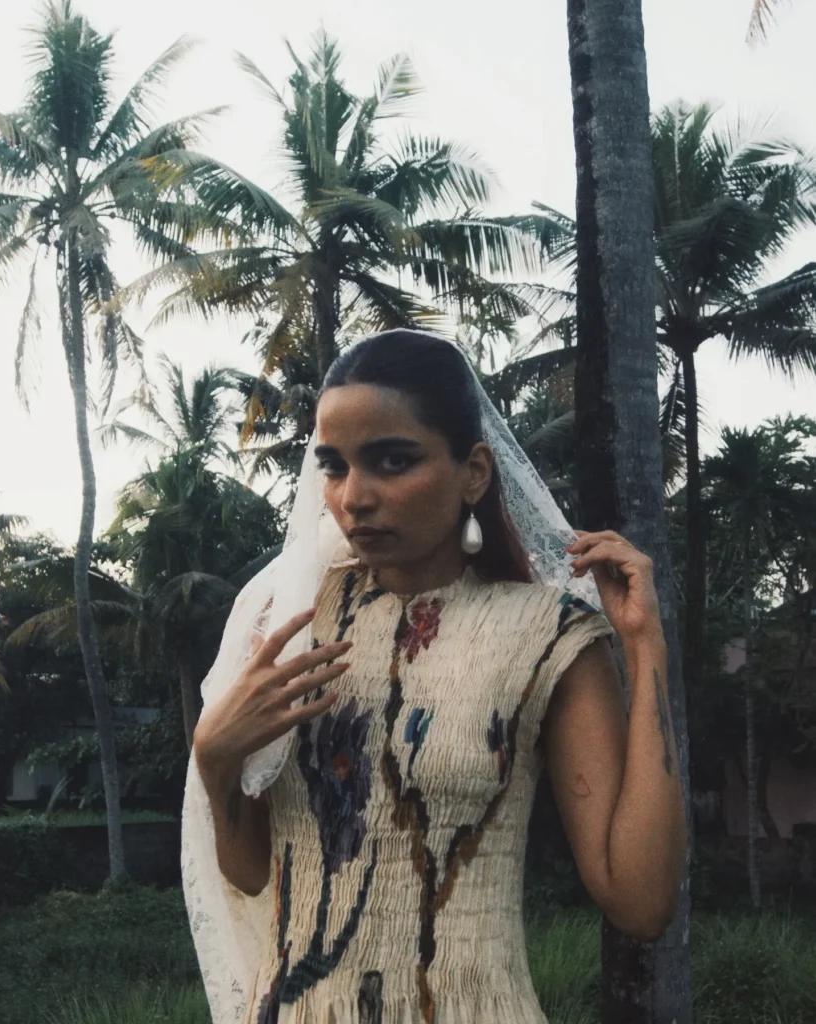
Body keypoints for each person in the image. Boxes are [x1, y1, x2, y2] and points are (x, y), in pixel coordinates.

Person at [183, 330, 686, 1024]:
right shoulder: (287, 618)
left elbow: (641, 903)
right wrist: (214, 758)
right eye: (333, 466)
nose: (353, 496)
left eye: (392, 460)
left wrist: (645, 645)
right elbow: (251, 874)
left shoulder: (547, 636)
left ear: (473, 471)